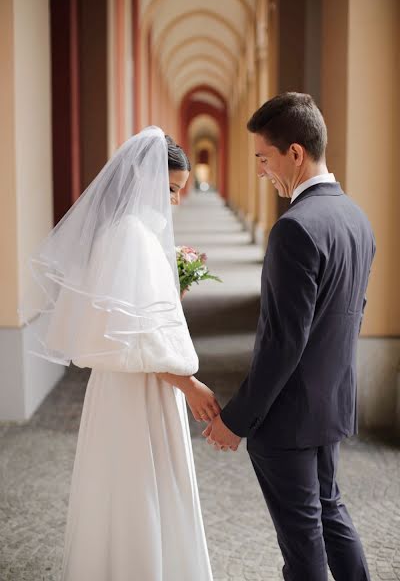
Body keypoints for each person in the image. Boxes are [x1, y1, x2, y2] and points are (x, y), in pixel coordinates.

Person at [19, 126, 217, 580]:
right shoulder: (135, 238)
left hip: (117, 388)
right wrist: (189, 385)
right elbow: (142, 340)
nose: (173, 201)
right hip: (140, 389)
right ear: (144, 182)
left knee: (117, 486)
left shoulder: (120, 232)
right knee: (142, 485)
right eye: (168, 189)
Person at [203, 93, 375, 580]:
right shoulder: (357, 221)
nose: (260, 170)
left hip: (288, 420)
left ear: (294, 153)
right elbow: (348, 320)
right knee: (331, 514)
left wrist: (236, 420)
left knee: (303, 544)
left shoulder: (294, 229)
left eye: (263, 157)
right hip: (331, 405)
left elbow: (283, 342)